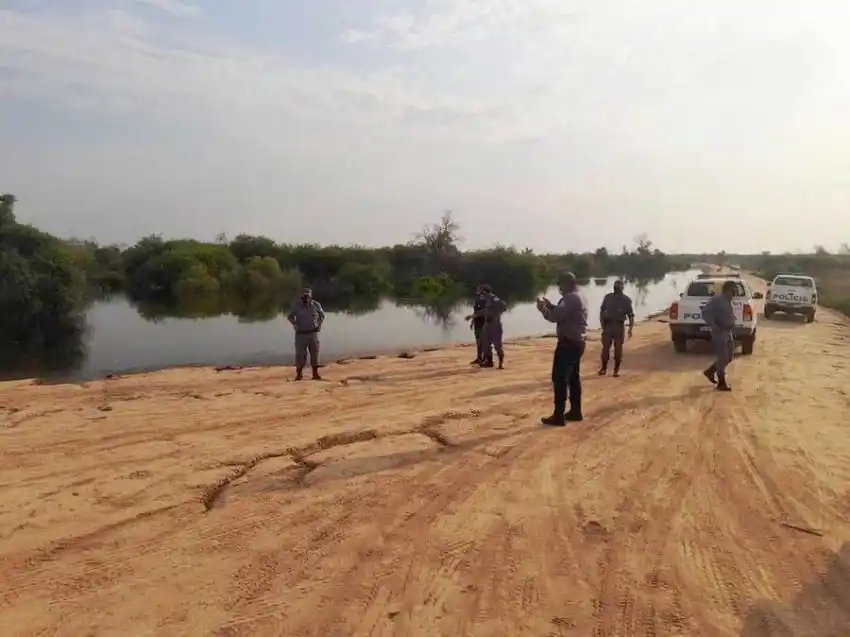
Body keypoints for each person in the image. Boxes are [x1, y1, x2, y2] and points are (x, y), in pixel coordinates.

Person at [537, 272, 588, 425]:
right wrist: (551, 305)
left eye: (560, 284)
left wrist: (542, 309)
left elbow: (556, 318)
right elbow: (563, 312)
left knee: (559, 378)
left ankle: (558, 416)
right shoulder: (579, 296)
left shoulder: (570, 298)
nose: (559, 287)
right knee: (573, 378)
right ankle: (575, 411)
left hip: (568, 343)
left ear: (566, 284)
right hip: (578, 341)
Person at [701, 280, 736, 391]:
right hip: (720, 331)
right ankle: (721, 383)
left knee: (729, 357)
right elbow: (705, 312)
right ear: (727, 290)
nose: (735, 293)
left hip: (728, 331)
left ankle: (710, 371)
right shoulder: (717, 300)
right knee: (723, 357)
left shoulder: (728, 300)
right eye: (734, 290)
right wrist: (713, 325)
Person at [286, 287, 325, 381]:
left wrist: (319, 325)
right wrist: (294, 324)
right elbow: (290, 316)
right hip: (301, 334)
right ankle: (299, 375)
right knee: (300, 355)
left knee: (315, 353)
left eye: (308, 294)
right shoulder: (296, 305)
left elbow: (322, 316)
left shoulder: (316, 305)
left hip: (313, 333)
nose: (306, 296)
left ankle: (315, 374)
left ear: (311, 295)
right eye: (304, 294)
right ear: (301, 295)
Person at [598, 280, 635, 377]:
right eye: (616, 286)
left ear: (622, 288)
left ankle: (615, 370)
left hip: (618, 326)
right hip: (608, 326)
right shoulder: (608, 297)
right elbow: (602, 311)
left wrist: (631, 328)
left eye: (618, 287)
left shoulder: (626, 300)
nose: (617, 288)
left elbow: (631, 315)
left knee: (618, 350)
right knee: (605, 349)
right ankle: (604, 368)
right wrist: (602, 323)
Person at [480, 285, 508, 369]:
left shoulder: (493, 298)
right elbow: (486, 311)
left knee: (497, 345)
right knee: (486, 344)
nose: (480, 293)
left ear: (485, 291)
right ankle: (489, 362)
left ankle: (501, 361)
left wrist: (497, 315)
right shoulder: (487, 300)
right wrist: (473, 316)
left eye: (481, 291)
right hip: (487, 324)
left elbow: (503, 306)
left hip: (495, 324)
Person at [464, 286, 489, 365]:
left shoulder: (485, 300)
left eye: (480, 290)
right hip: (477, 322)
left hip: (483, 322)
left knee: (483, 341)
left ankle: (486, 359)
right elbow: (475, 312)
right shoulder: (477, 300)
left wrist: (471, 317)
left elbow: (483, 312)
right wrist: (472, 322)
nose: (478, 292)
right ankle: (479, 358)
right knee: (478, 342)